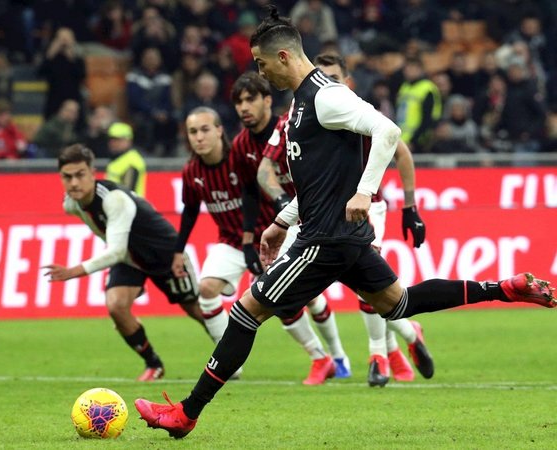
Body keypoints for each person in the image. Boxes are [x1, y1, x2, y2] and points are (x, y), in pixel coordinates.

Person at [134, 7, 556, 438]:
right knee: (399, 303)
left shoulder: (326, 96)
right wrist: (282, 220)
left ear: (283, 57)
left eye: (261, 63)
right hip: (340, 235)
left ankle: (186, 413)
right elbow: (321, 180)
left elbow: (387, 131)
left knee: (246, 311)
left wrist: (365, 190)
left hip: (325, 240)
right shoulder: (302, 102)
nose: (260, 73)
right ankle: (505, 289)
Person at [174, 105, 335, 384]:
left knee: (282, 300)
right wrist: (178, 250)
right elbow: (189, 211)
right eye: (192, 132)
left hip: (265, 238)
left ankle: (320, 356)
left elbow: (257, 192)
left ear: (219, 131)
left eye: (204, 130)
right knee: (207, 290)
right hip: (230, 241)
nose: (198, 137)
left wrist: (256, 241)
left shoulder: (238, 159)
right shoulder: (191, 172)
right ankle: (228, 362)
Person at [311, 53, 433, 386]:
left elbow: (401, 150)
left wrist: (410, 207)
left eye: (334, 78)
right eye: (321, 78)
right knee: (373, 290)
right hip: (322, 212)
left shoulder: (361, 113)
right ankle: (408, 333)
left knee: (369, 283)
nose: (327, 85)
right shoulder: (307, 116)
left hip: (368, 207)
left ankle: (377, 354)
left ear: (347, 81)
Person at [44, 144, 205, 382]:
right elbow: (113, 242)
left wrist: (73, 271)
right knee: (116, 306)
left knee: (195, 309)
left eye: (80, 175)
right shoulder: (71, 204)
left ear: (92, 173)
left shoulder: (114, 199)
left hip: (162, 254)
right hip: (131, 258)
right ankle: (153, 364)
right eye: (67, 177)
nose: (74, 183)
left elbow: (116, 251)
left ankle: (231, 350)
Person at [230, 71, 350, 381]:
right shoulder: (241, 145)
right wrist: (246, 241)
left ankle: (333, 357)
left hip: (305, 218)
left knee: (286, 293)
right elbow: (249, 191)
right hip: (275, 225)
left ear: (267, 100)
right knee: (291, 295)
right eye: (238, 101)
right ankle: (326, 357)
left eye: (250, 99)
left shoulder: (298, 124)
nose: (244, 107)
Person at [396, 56, 442, 153]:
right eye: (407, 68)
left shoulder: (427, 89)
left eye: (413, 68)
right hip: (402, 139)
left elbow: (428, 119)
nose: (409, 71)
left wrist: (414, 141)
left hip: (418, 142)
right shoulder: (404, 87)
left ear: (420, 70)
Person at [105, 122, 147, 196]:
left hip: (127, 205)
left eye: (117, 140)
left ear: (127, 140)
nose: (113, 143)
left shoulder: (131, 161)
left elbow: (128, 191)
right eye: (111, 139)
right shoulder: (119, 158)